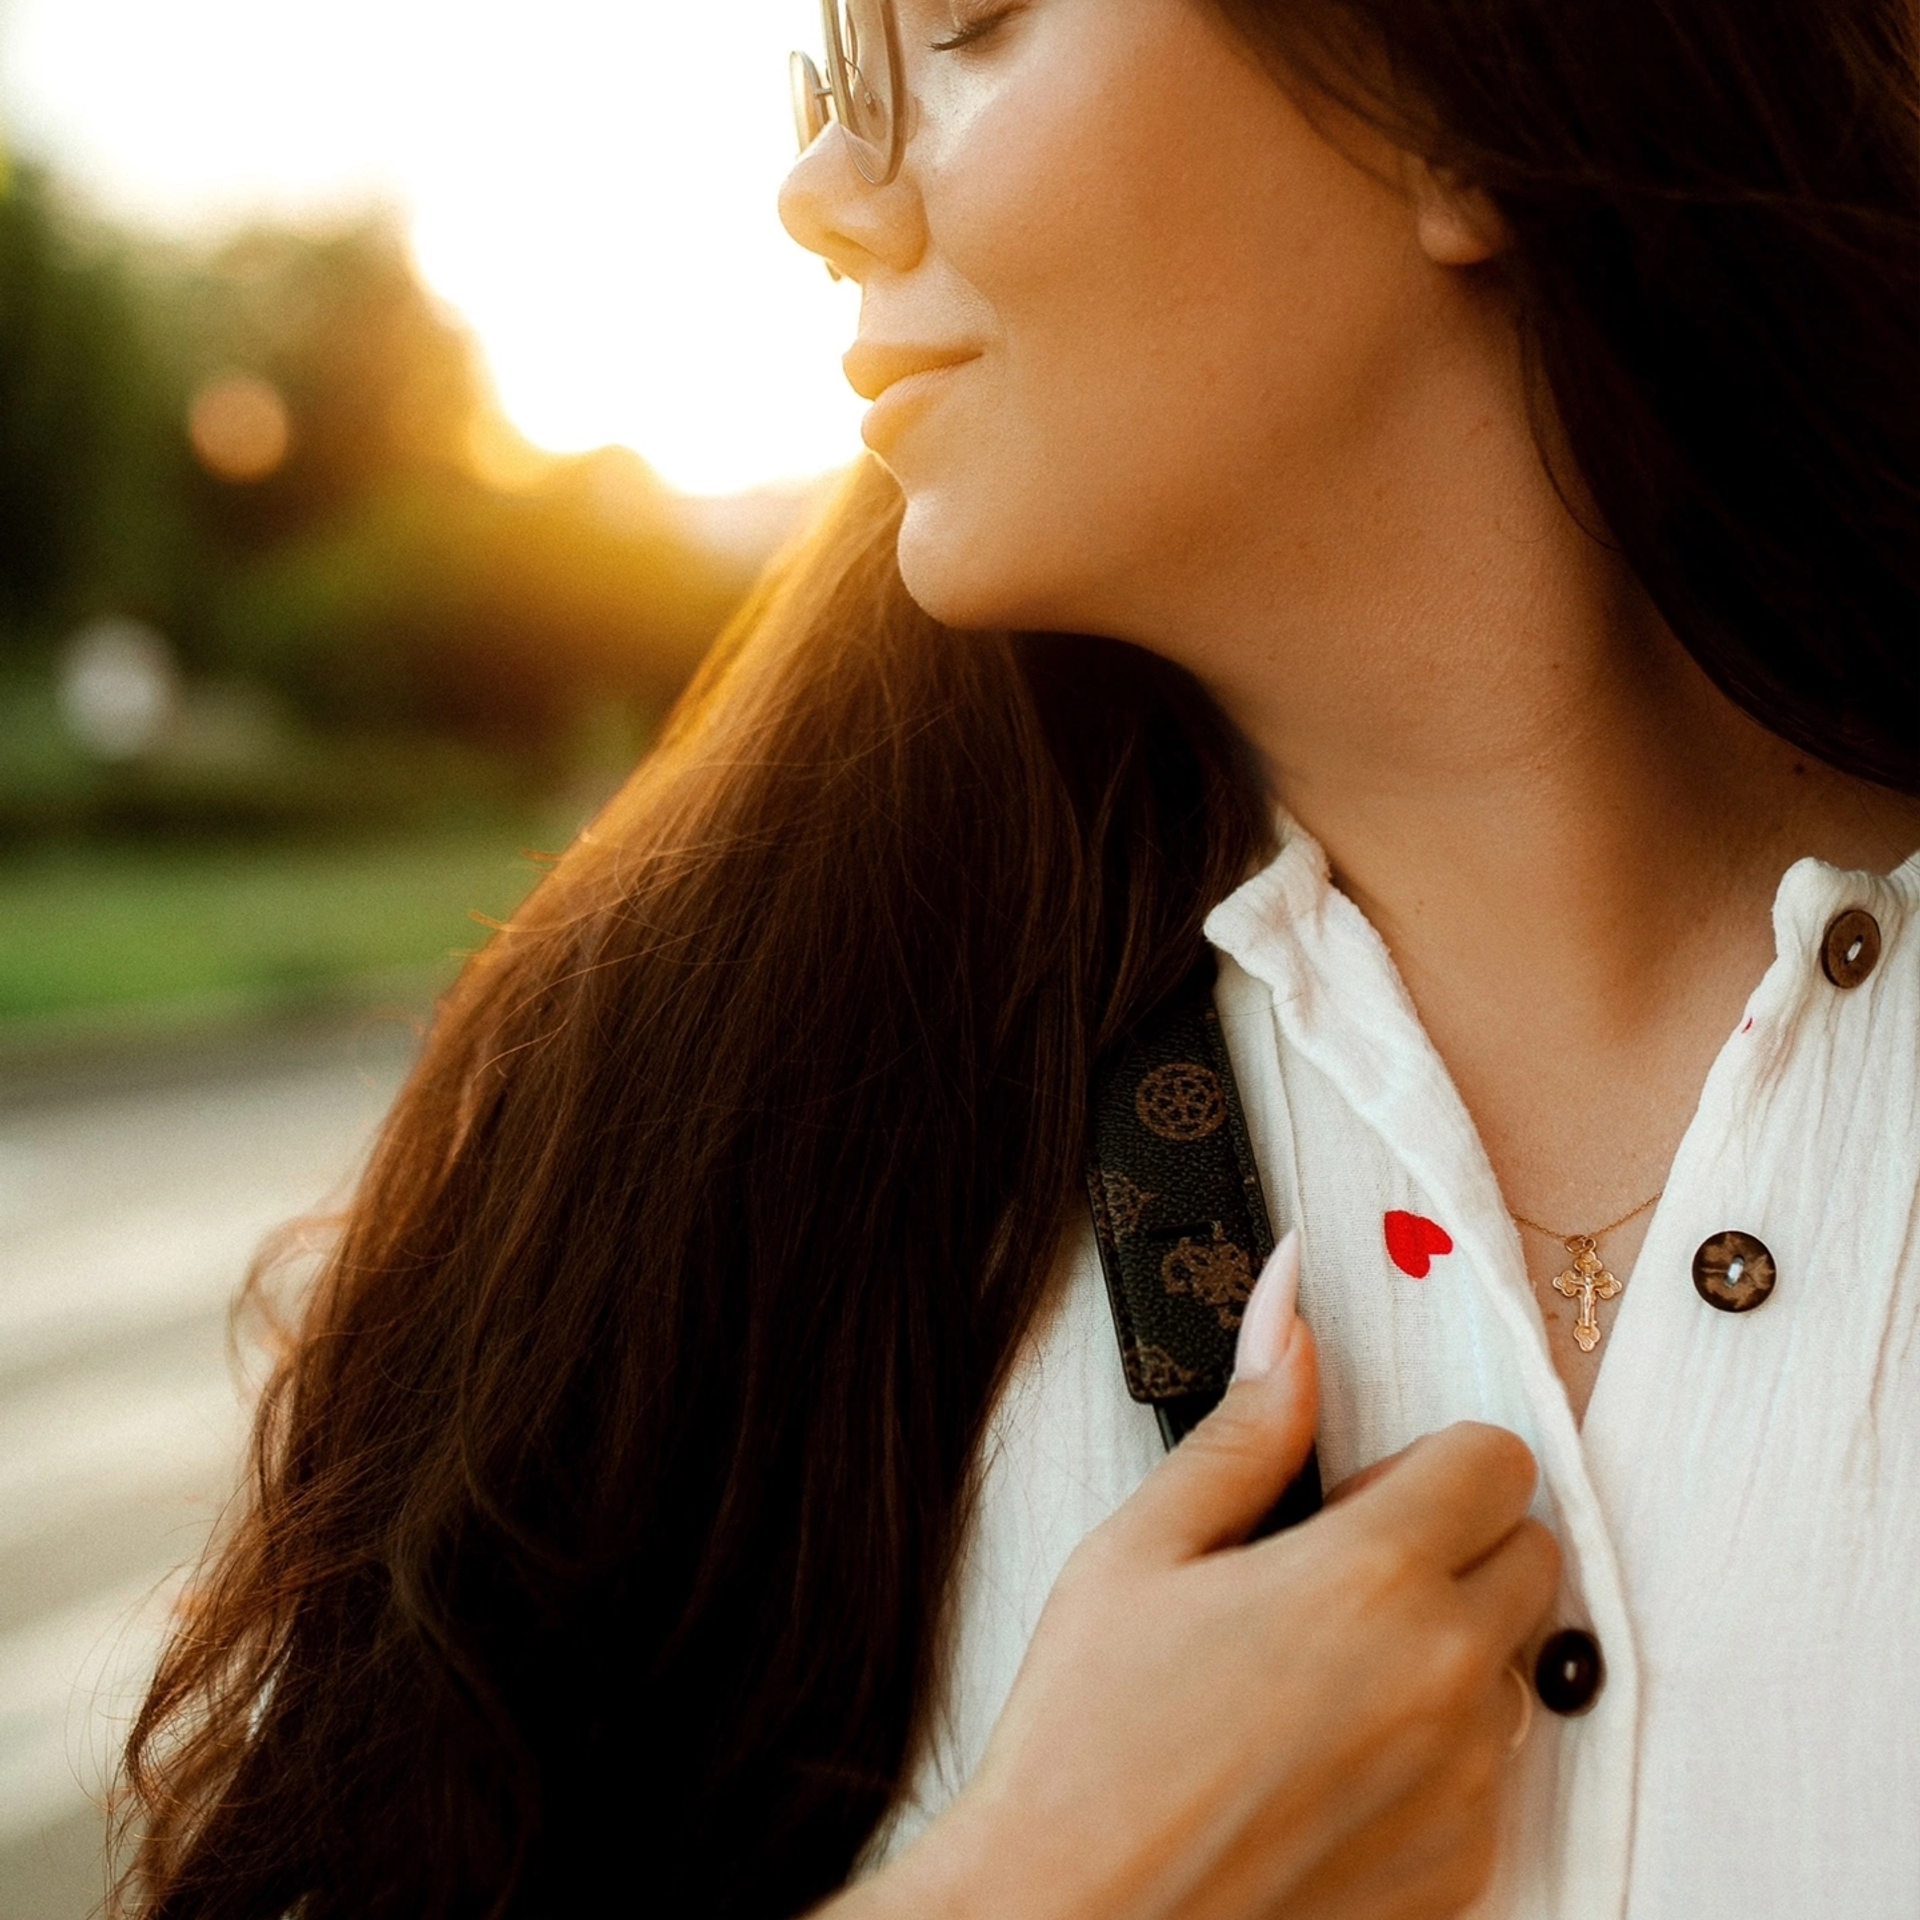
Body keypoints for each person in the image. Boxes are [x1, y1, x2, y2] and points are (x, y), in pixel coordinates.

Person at [123, 1, 1920, 1916]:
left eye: (964, 22)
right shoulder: (711, 1168)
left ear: (1453, 92)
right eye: (838, 67)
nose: (822, 188)